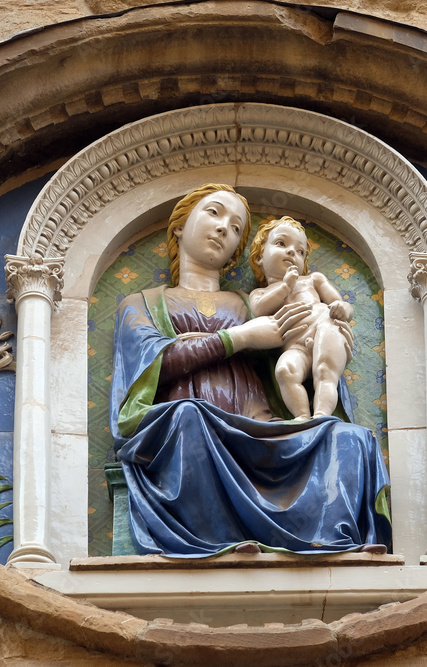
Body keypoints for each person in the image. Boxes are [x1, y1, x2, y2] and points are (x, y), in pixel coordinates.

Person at [110, 183, 390, 557]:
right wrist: (238, 338)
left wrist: (329, 331)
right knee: (190, 417)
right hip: (188, 428)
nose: (225, 227)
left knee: (349, 438)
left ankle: (335, 541)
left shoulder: (256, 302)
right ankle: (218, 541)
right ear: (179, 227)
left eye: (237, 227)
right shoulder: (142, 302)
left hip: (260, 427)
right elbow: (151, 365)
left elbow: (299, 351)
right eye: (213, 213)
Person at [248, 216, 354, 421]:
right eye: (281, 243)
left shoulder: (312, 280)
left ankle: (322, 415)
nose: (291, 252)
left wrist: (343, 308)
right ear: (260, 255)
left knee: (325, 371)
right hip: (295, 345)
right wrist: (285, 286)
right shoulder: (259, 293)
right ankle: (302, 417)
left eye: (300, 251)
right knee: (285, 371)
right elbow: (259, 310)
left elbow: (341, 304)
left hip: (326, 327)